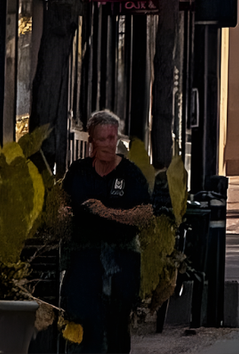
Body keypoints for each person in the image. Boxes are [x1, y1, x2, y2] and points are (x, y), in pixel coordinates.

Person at [59, 110, 155, 352]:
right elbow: (63, 200)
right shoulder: (79, 171)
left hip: (121, 258)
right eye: (101, 139)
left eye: (111, 138)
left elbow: (145, 215)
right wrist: (62, 211)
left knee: (117, 324)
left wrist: (108, 213)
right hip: (85, 256)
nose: (107, 144)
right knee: (85, 321)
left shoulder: (130, 174)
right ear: (91, 141)